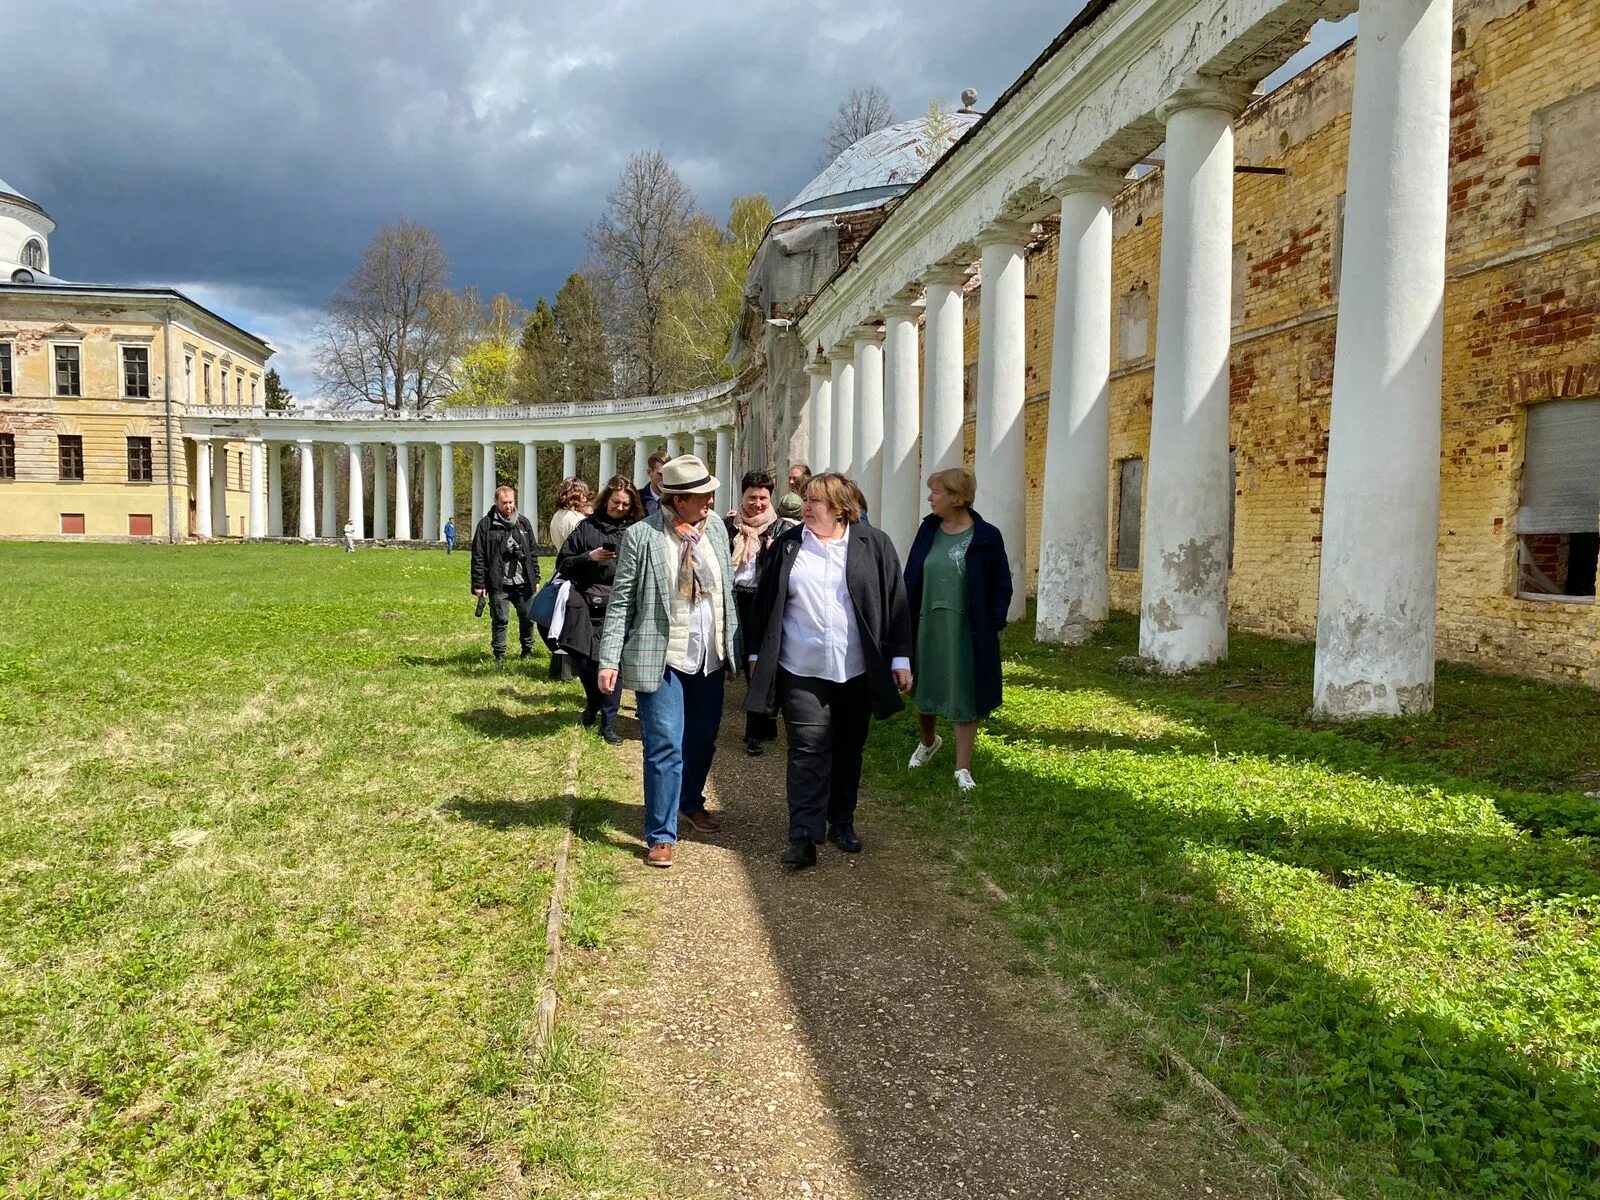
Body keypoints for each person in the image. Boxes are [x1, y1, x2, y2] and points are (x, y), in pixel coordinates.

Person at [744, 472, 913, 869]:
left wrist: (901, 658)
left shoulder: (875, 544)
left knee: (848, 748)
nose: (807, 506)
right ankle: (802, 836)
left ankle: (841, 820)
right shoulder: (787, 545)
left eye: (815, 500)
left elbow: (897, 603)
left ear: (839, 508)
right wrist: (755, 652)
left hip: (855, 669)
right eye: (806, 499)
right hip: (800, 668)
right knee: (806, 750)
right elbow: (764, 602)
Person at [598, 455, 739, 869]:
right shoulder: (642, 536)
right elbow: (621, 602)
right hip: (661, 657)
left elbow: (725, 591)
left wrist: (734, 647)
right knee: (663, 745)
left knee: (701, 737)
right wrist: (609, 659)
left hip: (707, 656)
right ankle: (660, 833)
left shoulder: (714, 528)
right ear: (678, 500)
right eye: (702, 496)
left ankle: (690, 800)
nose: (711, 500)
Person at [904, 467, 1013, 792]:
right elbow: (912, 573)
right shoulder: (928, 530)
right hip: (927, 623)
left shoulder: (986, 536)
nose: (930, 497)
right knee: (924, 688)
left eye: (936, 492)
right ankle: (928, 742)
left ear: (955, 496)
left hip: (968, 627)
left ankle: (962, 767)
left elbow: (1001, 584)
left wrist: (994, 621)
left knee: (965, 691)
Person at [556, 474, 643, 745]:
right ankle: (592, 703)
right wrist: (589, 557)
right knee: (584, 661)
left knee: (611, 663)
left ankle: (609, 721)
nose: (620, 507)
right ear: (606, 500)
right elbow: (564, 563)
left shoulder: (637, 530)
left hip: (619, 605)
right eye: (616, 502)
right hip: (585, 601)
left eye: (625, 504)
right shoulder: (586, 527)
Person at [725, 470, 799, 757]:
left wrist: (770, 551)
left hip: (765, 601)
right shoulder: (728, 527)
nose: (758, 504)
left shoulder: (781, 530)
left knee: (760, 665)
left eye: (763, 498)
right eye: (752, 497)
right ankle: (764, 721)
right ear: (742, 497)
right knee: (743, 662)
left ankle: (753, 732)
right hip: (735, 599)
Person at [470, 485, 541, 669]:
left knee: (527, 617)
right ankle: (499, 655)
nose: (508, 506)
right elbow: (478, 556)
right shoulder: (485, 525)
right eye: (504, 503)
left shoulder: (523, 524)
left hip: (523, 580)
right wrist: (479, 583)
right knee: (500, 619)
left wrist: (536, 577)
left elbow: (532, 552)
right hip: (498, 582)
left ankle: (527, 650)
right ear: (496, 502)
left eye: (511, 502)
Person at [547, 478, 592, 681]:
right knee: (570, 622)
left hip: (561, 571)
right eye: (582, 494)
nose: (585, 497)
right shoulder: (577, 521)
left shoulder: (557, 516)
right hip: (575, 572)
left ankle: (557, 668)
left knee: (559, 620)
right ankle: (569, 670)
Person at [639, 450, 671, 517]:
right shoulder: (637, 498)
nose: (665, 479)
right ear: (649, 472)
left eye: (668, 474)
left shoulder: (678, 499)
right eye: (660, 474)